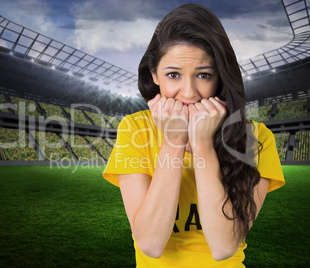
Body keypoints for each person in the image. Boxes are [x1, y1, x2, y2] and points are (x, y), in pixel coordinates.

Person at [103, 3, 285, 267]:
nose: (188, 93)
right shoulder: (135, 129)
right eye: (173, 74)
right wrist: (173, 142)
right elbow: (150, 244)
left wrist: (202, 146)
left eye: (203, 74)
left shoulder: (257, 137)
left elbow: (224, 247)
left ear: (221, 77)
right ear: (154, 75)